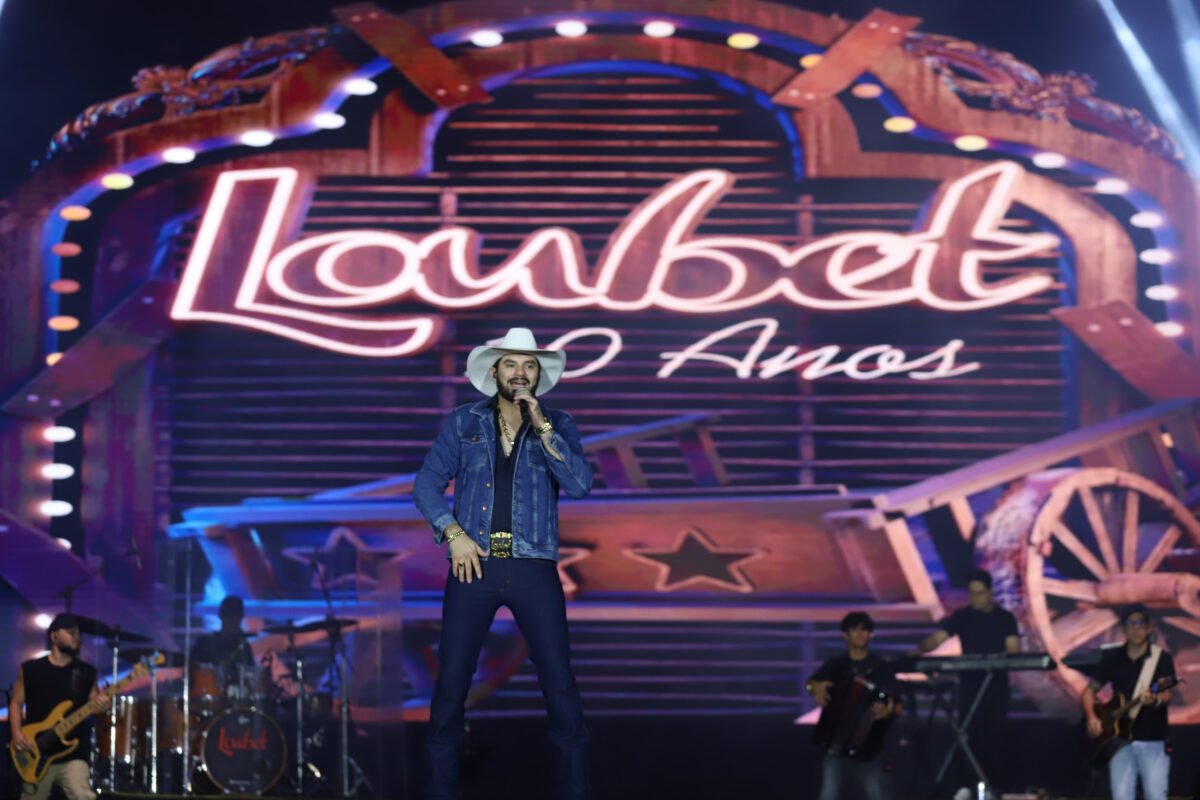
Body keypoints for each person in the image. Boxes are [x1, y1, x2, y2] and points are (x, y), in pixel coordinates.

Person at [414, 327, 593, 800]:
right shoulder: (464, 422)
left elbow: (579, 485)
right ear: (494, 372)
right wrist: (453, 534)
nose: (520, 372)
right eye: (511, 364)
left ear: (538, 375)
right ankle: (440, 792)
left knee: (559, 683)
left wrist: (543, 426)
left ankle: (575, 791)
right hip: (474, 567)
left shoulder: (559, 423)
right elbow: (426, 484)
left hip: (533, 566)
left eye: (529, 365)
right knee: (452, 683)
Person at [913, 568, 1019, 797]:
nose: (975, 599)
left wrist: (1000, 659)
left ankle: (992, 789)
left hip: (996, 688)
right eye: (971, 594)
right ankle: (965, 787)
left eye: (979, 594)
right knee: (966, 735)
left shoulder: (1004, 618)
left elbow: (1013, 649)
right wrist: (917, 651)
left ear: (990, 593)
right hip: (970, 686)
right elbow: (936, 639)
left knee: (994, 739)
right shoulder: (962, 617)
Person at [8, 613, 110, 800]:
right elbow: (16, 702)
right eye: (71, 633)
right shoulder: (30, 669)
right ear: (54, 636)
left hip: (72, 754)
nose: (77, 638)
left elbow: (95, 706)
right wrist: (16, 733)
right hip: (35, 751)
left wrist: (103, 706)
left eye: (78, 634)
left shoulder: (87, 672)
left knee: (82, 794)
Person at [1081, 603, 1174, 800]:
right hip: (1119, 743)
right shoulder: (1112, 658)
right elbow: (1088, 691)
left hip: (1152, 739)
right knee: (1122, 796)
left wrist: (1155, 700)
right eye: (1130, 624)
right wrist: (1091, 718)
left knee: (1156, 796)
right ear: (1123, 629)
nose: (1135, 629)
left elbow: (1167, 695)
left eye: (1140, 623)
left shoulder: (1162, 659)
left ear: (1149, 628)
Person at [807, 611, 898, 800]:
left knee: (876, 793)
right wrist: (814, 687)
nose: (860, 634)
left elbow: (895, 701)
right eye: (855, 630)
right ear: (845, 635)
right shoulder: (836, 665)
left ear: (871, 634)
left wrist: (888, 709)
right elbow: (811, 683)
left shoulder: (881, 667)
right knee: (828, 794)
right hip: (834, 743)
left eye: (865, 630)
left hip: (869, 745)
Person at [191, 595, 256, 703]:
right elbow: (192, 671)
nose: (232, 620)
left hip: (237, 700)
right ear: (221, 615)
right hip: (206, 699)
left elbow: (250, 676)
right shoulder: (204, 643)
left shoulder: (243, 646)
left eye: (235, 617)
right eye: (229, 616)